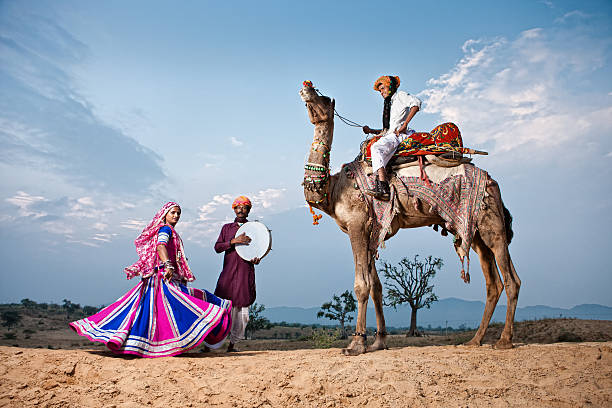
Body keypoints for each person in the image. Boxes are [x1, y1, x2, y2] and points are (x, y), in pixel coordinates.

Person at [69, 202, 232, 358]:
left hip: (161, 278)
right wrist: (168, 265)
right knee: (173, 308)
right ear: (164, 214)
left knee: (153, 313)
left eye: (178, 213)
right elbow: (160, 246)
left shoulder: (171, 232)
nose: (176, 216)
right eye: (173, 213)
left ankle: (143, 345)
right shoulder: (165, 230)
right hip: (160, 278)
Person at [362, 75, 422, 201]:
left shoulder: (400, 96)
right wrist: (371, 131)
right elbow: (387, 130)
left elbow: (416, 103)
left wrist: (405, 124)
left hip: (399, 135)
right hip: (391, 134)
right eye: (380, 91)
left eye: (383, 88)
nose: (381, 92)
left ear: (391, 87)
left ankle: (383, 186)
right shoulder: (389, 104)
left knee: (376, 148)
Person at [214, 196, 260, 352]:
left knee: (242, 311)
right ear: (234, 209)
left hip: (244, 273)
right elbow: (218, 247)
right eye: (238, 207)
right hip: (228, 274)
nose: (241, 210)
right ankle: (211, 345)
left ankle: (232, 345)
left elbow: (258, 249)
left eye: (244, 207)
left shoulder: (255, 228)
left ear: (249, 210)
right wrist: (234, 241)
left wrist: (256, 258)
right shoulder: (227, 228)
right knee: (221, 309)